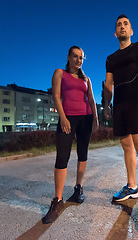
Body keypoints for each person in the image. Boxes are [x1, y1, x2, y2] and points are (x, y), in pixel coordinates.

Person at [104, 14, 138, 229]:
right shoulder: (110, 58)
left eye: (126, 24)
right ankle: (131, 187)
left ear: (131, 30)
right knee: (126, 147)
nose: (122, 26)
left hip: (137, 101)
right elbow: (109, 85)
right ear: (115, 33)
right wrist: (106, 105)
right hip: (119, 106)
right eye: (119, 24)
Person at [42, 46, 99, 224]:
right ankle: (57, 200)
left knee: (83, 154)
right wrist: (63, 118)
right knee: (62, 157)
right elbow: (57, 97)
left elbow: (91, 99)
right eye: (75, 56)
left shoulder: (86, 79)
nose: (78, 60)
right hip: (68, 118)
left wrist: (95, 119)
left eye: (81, 57)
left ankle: (78, 188)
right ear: (68, 57)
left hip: (86, 118)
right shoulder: (59, 73)